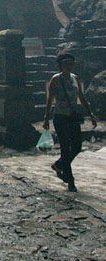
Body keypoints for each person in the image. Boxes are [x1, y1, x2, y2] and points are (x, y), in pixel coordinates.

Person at [42, 52, 97, 192]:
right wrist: (46, 118)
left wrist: (90, 113)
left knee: (77, 147)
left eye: (71, 64)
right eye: (66, 64)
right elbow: (50, 100)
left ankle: (59, 165)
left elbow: (81, 97)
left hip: (72, 117)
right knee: (65, 148)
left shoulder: (75, 79)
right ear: (60, 65)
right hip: (60, 117)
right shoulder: (56, 79)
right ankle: (70, 180)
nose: (69, 66)